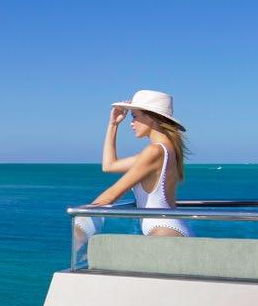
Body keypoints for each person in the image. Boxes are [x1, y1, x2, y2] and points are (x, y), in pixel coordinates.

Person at [75, 90, 192, 241]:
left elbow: (111, 195)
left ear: (150, 117)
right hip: (170, 229)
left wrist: (80, 224)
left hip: (164, 233)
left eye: (134, 116)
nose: (131, 123)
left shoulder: (154, 151)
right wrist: (113, 124)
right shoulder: (166, 150)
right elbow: (109, 166)